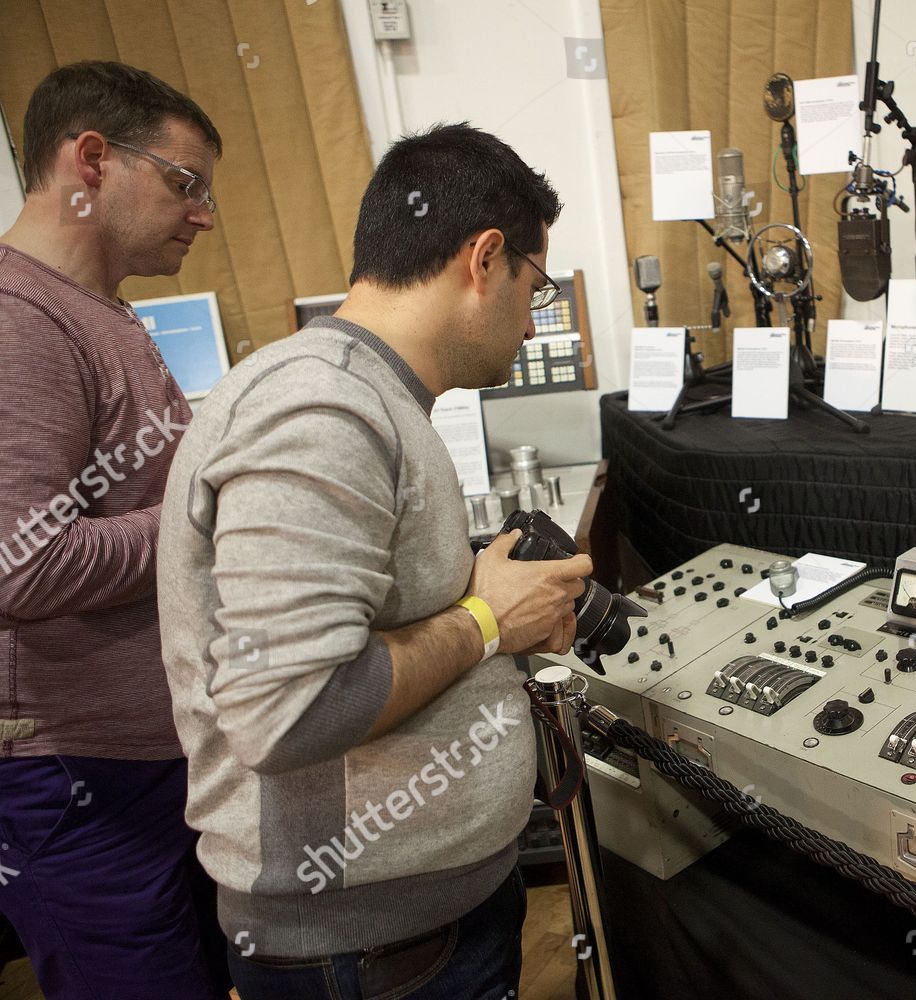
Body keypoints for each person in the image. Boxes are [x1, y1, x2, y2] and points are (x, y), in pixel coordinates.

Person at [157, 122, 590, 999]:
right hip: (371, 954)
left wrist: (474, 591)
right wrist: (484, 621)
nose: (533, 313)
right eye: (534, 287)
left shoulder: (369, 395)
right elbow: (287, 709)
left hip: (415, 931)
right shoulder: (324, 410)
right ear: (485, 259)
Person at [0, 61, 230, 998]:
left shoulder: (96, 313)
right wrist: (204, 512)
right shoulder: (20, 321)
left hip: (144, 761)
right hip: (75, 785)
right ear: (90, 160)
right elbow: (22, 565)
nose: (204, 213)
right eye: (186, 183)